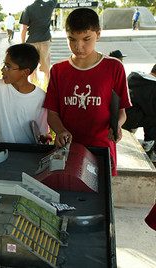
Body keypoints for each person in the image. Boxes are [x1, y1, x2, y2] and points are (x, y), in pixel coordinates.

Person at [43, 8, 131, 176]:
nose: (78, 46)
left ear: (98, 34)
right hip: (68, 150)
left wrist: (117, 126)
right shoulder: (58, 70)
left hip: (102, 150)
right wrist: (60, 130)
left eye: (86, 39)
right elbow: (52, 114)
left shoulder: (114, 67)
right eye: (72, 39)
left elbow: (122, 112)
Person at [122, 64, 156, 160]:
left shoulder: (134, 76)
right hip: (130, 119)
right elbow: (152, 110)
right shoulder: (153, 86)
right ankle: (148, 142)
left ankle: (134, 133)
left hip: (121, 114)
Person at [20, 0, 57, 83]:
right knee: (46, 67)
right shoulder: (49, 5)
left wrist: (22, 43)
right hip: (45, 41)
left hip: (31, 42)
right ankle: (48, 87)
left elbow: (24, 29)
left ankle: (34, 87)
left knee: (32, 68)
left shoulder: (28, 9)